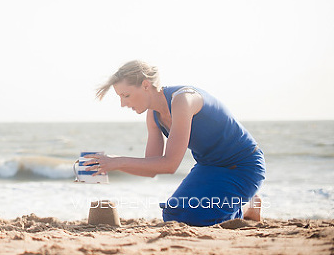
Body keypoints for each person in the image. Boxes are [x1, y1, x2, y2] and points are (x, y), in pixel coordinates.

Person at [90, 60, 265, 226]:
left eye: (125, 95)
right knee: (173, 214)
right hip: (210, 167)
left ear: (145, 85)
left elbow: (170, 164)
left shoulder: (183, 100)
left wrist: (119, 161)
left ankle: (246, 203)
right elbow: (152, 168)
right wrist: (110, 164)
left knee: (195, 217)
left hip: (244, 165)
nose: (122, 104)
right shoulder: (153, 115)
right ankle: (244, 201)